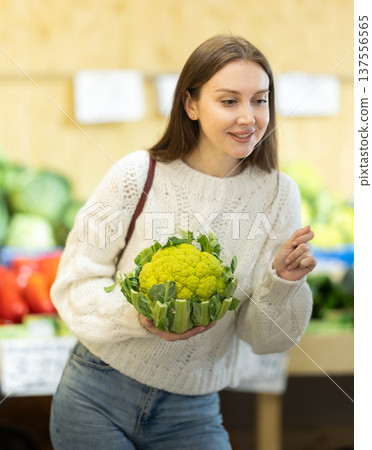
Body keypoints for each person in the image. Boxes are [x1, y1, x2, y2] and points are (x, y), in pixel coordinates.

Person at [50, 34, 317, 449]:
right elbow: (72, 285)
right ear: (190, 105)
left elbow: (266, 340)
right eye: (229, 101)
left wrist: (283, 283)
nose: (248, 117)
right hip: (96, 394)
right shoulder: (135, 175)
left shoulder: (280, 197)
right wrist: (140, 317)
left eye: (260, 100)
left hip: (192, 411)